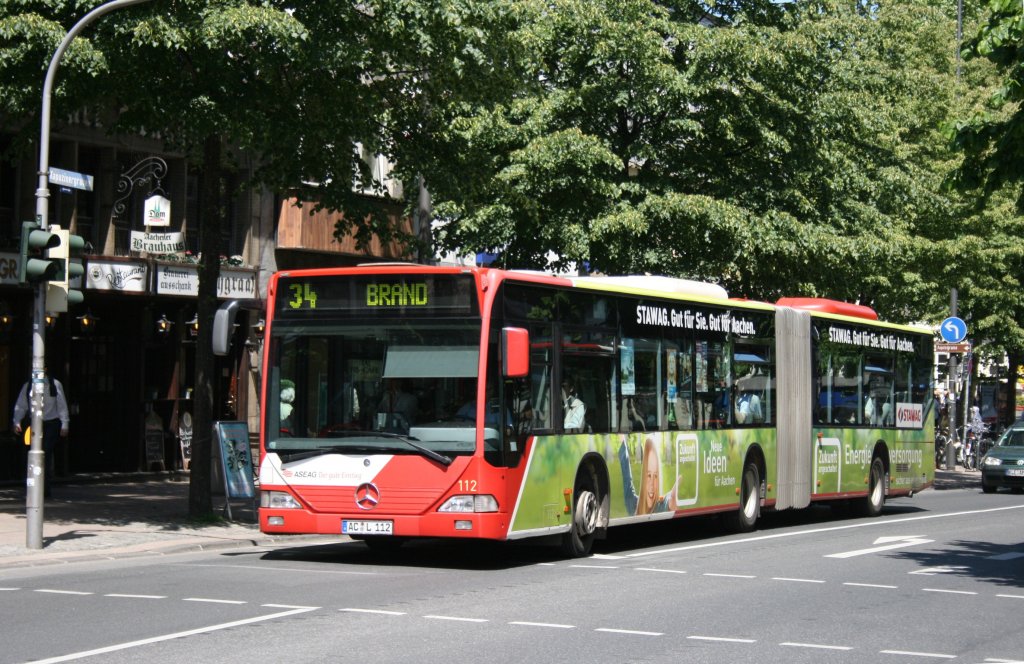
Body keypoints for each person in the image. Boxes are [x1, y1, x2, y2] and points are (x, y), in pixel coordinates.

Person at [12, 372, 70, 498]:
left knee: (46, 454)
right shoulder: (29, 385)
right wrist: (17, 421)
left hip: (51, 423)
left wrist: (64, 423)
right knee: (31, 453)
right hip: (34, 423)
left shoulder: (55, 385)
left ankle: (45, 489)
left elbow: (61, 405)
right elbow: (21, 405)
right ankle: (32, 487)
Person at [619, 437, 678, 515]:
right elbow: (626, 477)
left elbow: (667, 499)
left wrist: (671, 499)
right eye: (649, 475)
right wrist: (622, 440)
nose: (652, 484)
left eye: (656, 476)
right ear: (644, 477)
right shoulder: (632, 505)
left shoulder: (661, 507)